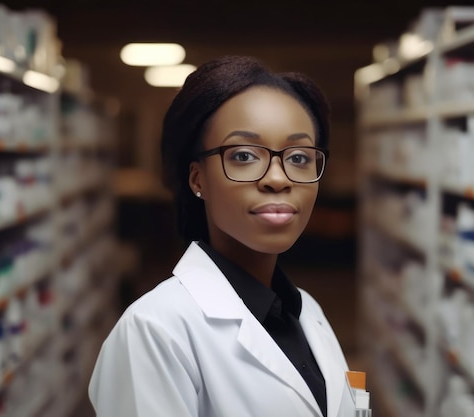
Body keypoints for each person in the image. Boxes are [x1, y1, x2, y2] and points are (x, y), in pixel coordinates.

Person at [88, 55, 356, 417]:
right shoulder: (155, 330)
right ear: (197, 179)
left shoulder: (307, 311)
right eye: (244, 155)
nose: (277, 179)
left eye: (298, 157)